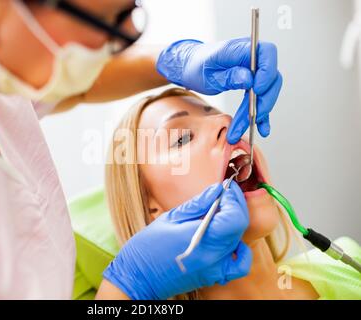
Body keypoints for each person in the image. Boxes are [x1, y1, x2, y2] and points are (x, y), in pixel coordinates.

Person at [0, 0, 282, 299]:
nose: (222, 123)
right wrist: (127, 289)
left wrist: (174, 60)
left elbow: (76, 80)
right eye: (107, 20)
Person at [102, 88, 361, 300]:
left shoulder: (346, 265)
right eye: (182, 138)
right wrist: (130, 282)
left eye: (216, 113)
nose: (225, 120)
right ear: (153, 211)